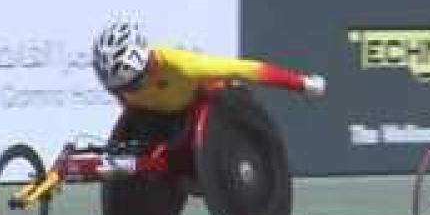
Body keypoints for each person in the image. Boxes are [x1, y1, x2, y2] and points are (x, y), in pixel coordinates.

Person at [91, 21, 326, 141]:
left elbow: (251, 70)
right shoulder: (120, 83)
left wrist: (302, 83)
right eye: (122, 88)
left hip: (198, 112)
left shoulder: (184, 65)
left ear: (148, 65)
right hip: (154, 120)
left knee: (227, 88)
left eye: (133, 84)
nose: (129, 91)